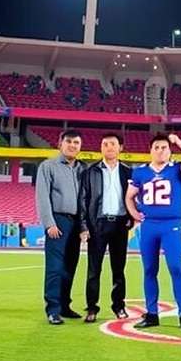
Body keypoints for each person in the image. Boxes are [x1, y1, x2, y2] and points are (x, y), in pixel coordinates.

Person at [125, 133, 181, 331]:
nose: (160, 151)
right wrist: (135, 213)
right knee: (150, 269)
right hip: (150, 225)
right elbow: (129, 197)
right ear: (150, 151)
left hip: (172, 225)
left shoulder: (177, 169)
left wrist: (179, 142)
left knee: (176, 268)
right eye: (157, 148)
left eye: (164, 147)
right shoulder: (140, 172)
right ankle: (152, 314)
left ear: (170, 151)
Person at [78, 133, 132, 323]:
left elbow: (134, 198)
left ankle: (119, 306)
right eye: (105, 143)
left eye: (112, 144)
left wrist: (131, 220)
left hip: (120, 224)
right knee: (94, 270)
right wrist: (84, 226)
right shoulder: (90, 172)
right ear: (101, 148)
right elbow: (83, 201)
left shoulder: (128, 172)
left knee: (119, 269)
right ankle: (92, 308)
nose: (109, 147)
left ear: (120, 148)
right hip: (97, 225)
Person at [36, 129, 86, 325]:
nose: (72, 145)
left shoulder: (83, 169)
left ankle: (65, 305)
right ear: (60, 144)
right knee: (55, 268)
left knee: (70, 267)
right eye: (69, 141)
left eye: (76, 143)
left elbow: (84, 200)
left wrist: (83, 226)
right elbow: (42, 196)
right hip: (58, 221)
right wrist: (49, 223)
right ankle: (53, 309)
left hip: (76, 222)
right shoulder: (48, 166)